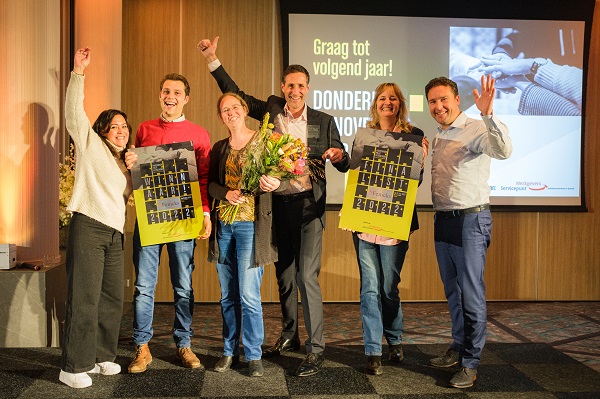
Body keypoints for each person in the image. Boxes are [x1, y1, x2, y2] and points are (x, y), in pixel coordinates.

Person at [198, 36, 350, 377]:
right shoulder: (269, 110)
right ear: (283, 87)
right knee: (283, 278)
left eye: (300, 85)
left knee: (306, 277)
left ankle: (316, 348)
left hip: (309, 206)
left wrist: (340, 156)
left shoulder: (323, 121)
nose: (295, 90)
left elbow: (342, 159)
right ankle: (289, 335)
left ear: (308, 88)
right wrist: (213, 59)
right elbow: (233, 94)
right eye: (290, 85)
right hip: (274, 207)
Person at [425, 75, 512, 388]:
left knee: (471, 294)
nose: (438, 106)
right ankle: (459, 345)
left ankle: (471, 363)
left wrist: (489, 115)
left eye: (443, 99)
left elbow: (503, 151)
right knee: (453, 291)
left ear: (456, 99)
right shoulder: (438, 135)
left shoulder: (476, 127)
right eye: (433, 101)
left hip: (470, 221)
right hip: (444, 220)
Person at [125, 73, 212, 373]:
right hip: (150, 220)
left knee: (184, 287)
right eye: (165, 91)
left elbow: (202, 178)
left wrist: (205, 215)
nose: (170, 96)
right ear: (159, 95)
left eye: (176, 92)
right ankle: (142, 347)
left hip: (183, 220)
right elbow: (136, 171)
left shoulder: (199, 134)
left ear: (186, 98)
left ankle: (184, 343)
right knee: (143, 286)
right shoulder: (144, 129)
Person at [60, 47, 133, 388]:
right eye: (114, 126)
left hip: (114, 235)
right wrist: (78, 72)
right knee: (84, 298)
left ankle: (101, 357)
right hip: (88, 227)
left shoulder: (125, 163)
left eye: (125, 126)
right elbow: (74, 114)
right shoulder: (91, 144)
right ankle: (73, 366)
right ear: (103, 129)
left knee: (110, 299)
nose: (121, 130)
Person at [349, 83, 428, 375]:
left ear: (400, 104)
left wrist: (422, 160)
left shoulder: (414, 136)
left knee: (388, 288)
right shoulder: (364, 137)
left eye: (392, 98)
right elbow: (355, 178)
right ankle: (373, 350)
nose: (387, 102)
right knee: (369, 288)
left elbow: (415, 183)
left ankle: (394, 338)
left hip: (395, 223)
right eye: (382, 98)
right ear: (375, 104)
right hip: (364, 224)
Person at [207, 93, 279, 377]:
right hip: (224, 225)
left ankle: (253, 354)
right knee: (228, 295)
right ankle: (228, 350)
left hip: (251, 226)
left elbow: (276, 181)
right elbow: (211, 184)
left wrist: (272, 183)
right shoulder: (219, 147)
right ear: (220, 116)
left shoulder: (264, 142)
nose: (230, 112)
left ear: (245, 110)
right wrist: (226, 193)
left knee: (249, 295)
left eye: (235, 107)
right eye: (224, 109)